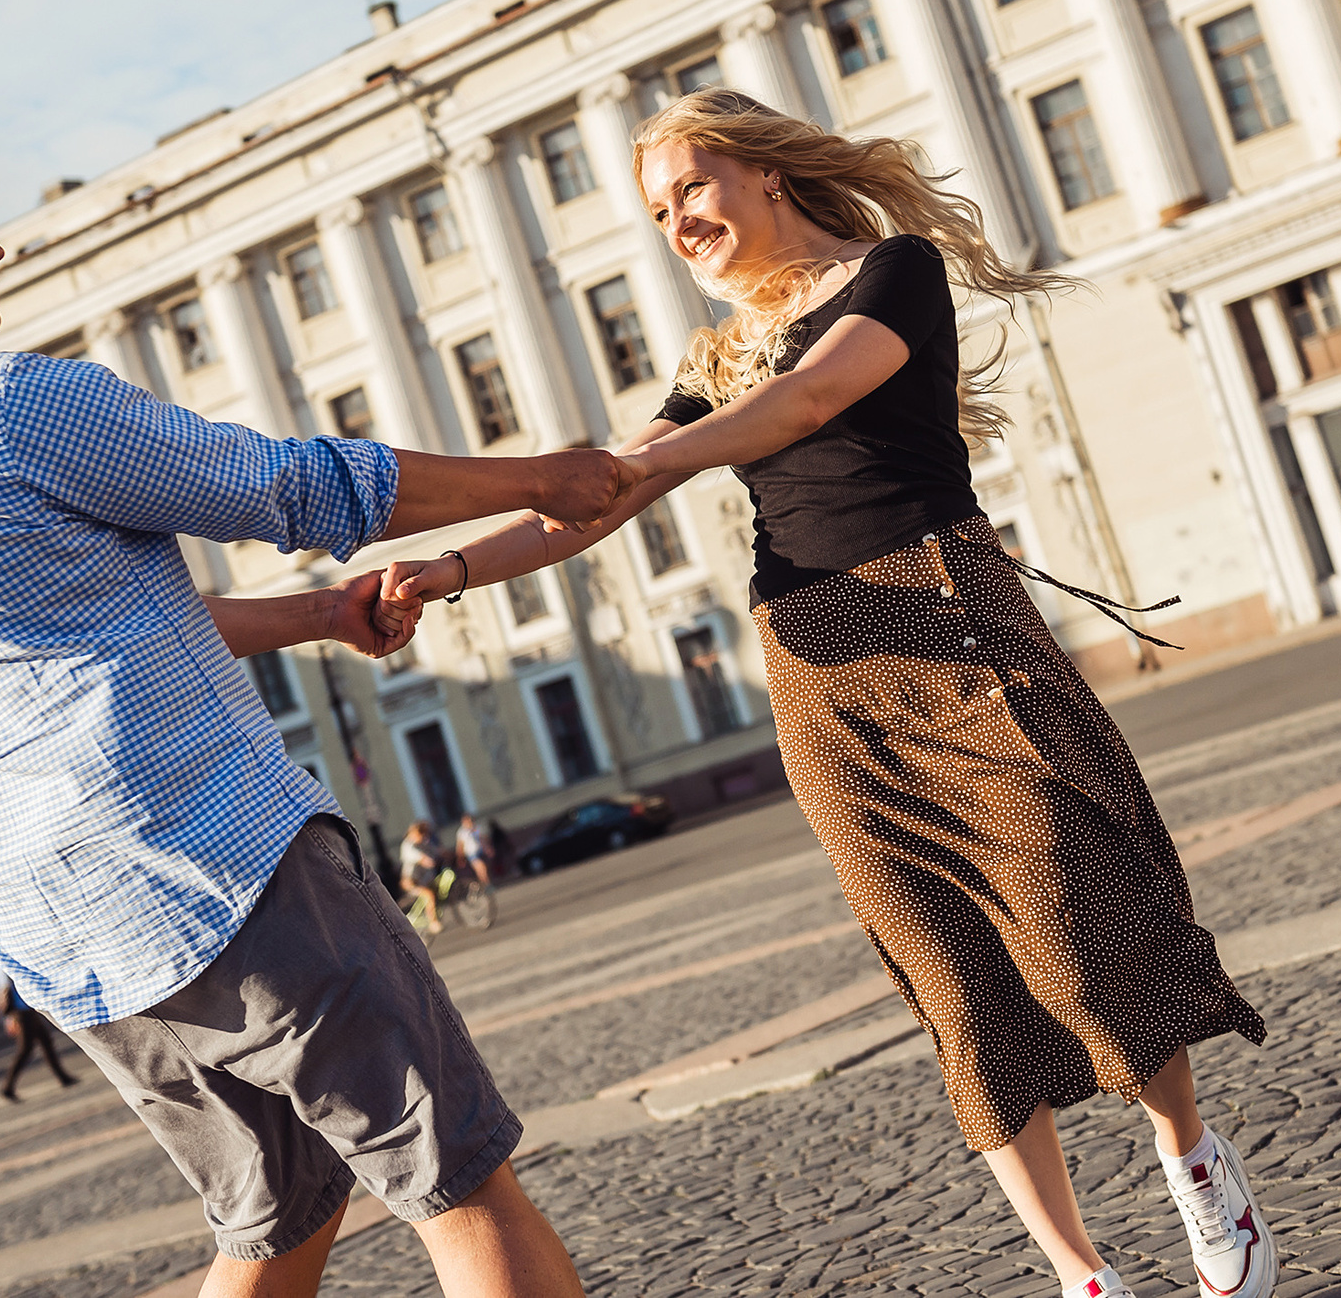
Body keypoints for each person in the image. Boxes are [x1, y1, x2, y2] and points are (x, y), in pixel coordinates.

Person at [386, 89, 1272, 1298]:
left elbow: (804, 401)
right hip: (816, 666)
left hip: (947, 617)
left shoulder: (889, 274)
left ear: (765, 175)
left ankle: (1191, 1158)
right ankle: (1081, 1274)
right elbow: (583, 510)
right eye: (657, 209)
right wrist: (444, 570)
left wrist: (634, 460)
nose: (678, 218)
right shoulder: (714, 358)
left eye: (692, 186)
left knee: (1072, 930)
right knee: (946, 971)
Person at [0, 119, 618, 1298]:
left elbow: (62, 635)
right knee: (460, 1185)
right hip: (226, 871)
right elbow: (289, 484)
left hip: (75, 944)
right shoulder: (4, 404)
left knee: (279, 1220)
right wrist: (538, 479)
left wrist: (318, 616)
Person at [0, 977, 79, 1101]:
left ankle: (63, 1077)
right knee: (25, 1050)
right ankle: (7, 1088)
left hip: (28, 1010)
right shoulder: (1, 970)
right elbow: (4, 994)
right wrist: (10, 1019)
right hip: (22, 1014)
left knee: (46, 1043)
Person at [399, 821, 444, 935]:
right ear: (415, 833)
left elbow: (435, 850)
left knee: (437, 889)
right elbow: (419, 857)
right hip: (410, 881)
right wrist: (427, 861)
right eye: (422, 834)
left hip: (424, 879)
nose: (424, 837)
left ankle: (431, 912)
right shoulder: (407, 845)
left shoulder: (423, 843)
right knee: (429, 895)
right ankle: (433, 923)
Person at [455, 812, 494, 889]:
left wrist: (488, 848)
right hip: (471, 853)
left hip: (480, 851)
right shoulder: (462, 832)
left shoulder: (477, 828)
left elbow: (484, 839)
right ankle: (487, 885)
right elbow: (460, 846)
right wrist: (460, 857)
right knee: (480, 867)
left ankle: (484, 883)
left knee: (484, 868)